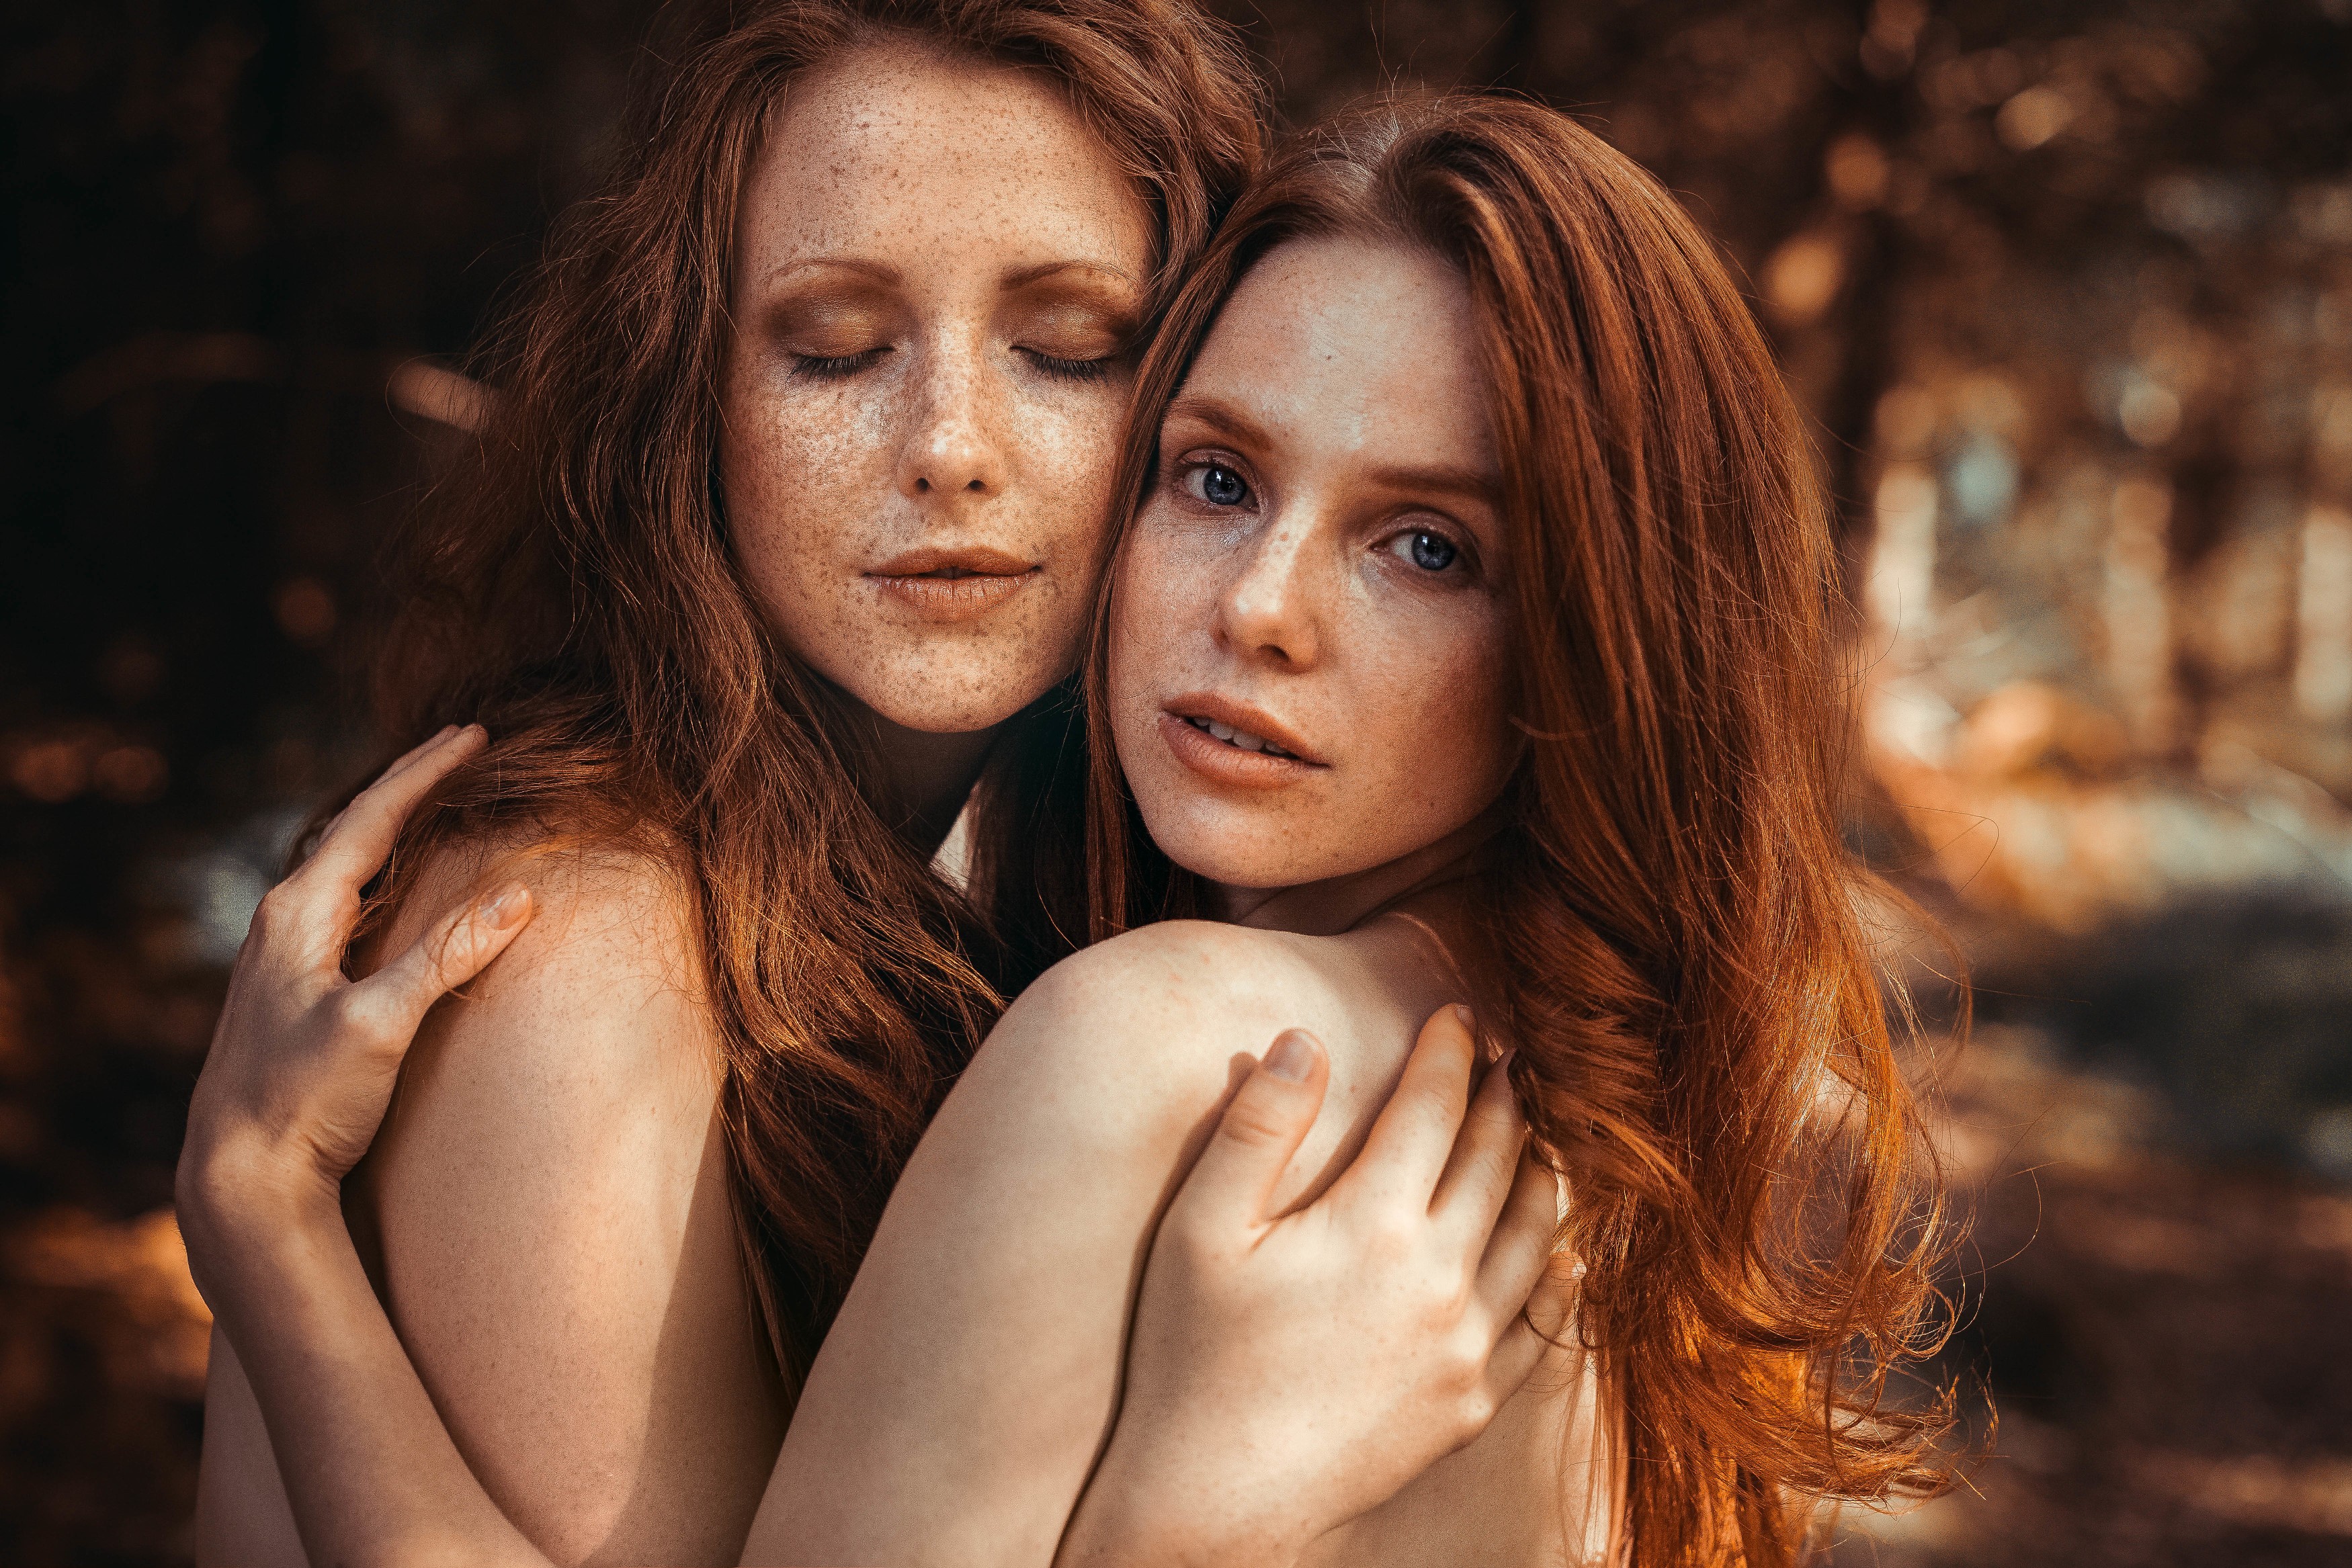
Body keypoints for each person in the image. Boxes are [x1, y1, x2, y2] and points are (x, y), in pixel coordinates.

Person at [183, 92, 1966, 1565]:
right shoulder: (1588, 1103)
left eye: (1429, 546)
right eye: (1219, 478)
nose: (1262, 606)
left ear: (1606, 631)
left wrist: (267, 1230)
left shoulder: (1152, 1049)